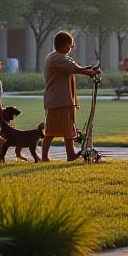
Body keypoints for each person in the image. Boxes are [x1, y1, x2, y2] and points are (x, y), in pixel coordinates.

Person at [42, 31, 101, 162]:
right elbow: (73, 68)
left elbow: (75, 67)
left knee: (68, 129)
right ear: (64, 44)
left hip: (64, 99)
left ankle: (70, 154)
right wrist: (89, 72)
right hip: (57, 100)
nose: (71, 48)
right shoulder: (56, 58)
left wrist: (90, 70)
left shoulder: (59, 57)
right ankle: (44, 157)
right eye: (70, 45)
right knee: (51, 131)